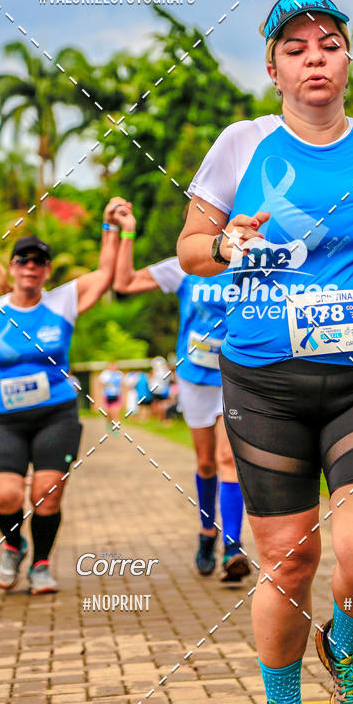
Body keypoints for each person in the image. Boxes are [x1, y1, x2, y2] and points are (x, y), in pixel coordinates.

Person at [177, 0, 353, 704]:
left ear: (348, 60)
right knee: (290, 561)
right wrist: (225, 242)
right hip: (265, 381)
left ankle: (346, 650)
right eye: (295, 49)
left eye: (328, 45)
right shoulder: (242, 144)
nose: (313, 58)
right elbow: (190, 250)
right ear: (274, 70)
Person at [0, 197, 128, 594]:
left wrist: (111, 226)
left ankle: (41, 563)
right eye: (24, 260)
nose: (31, 267)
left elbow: (105, 273)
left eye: (39, 261)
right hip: (4, 418)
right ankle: (14, 545)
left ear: (47, 270)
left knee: (46, 495)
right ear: (13, 266)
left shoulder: (62, 302)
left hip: (56, 414)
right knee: (3, 495)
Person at [113, 210, 250, 583]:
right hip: (194, 377)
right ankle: (207, 533)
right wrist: (127, 233)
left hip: (236, 374)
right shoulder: (186, 264)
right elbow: (124, 282)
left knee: (228, 458)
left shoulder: (252, 261)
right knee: (206, 463)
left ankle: (233, 547)